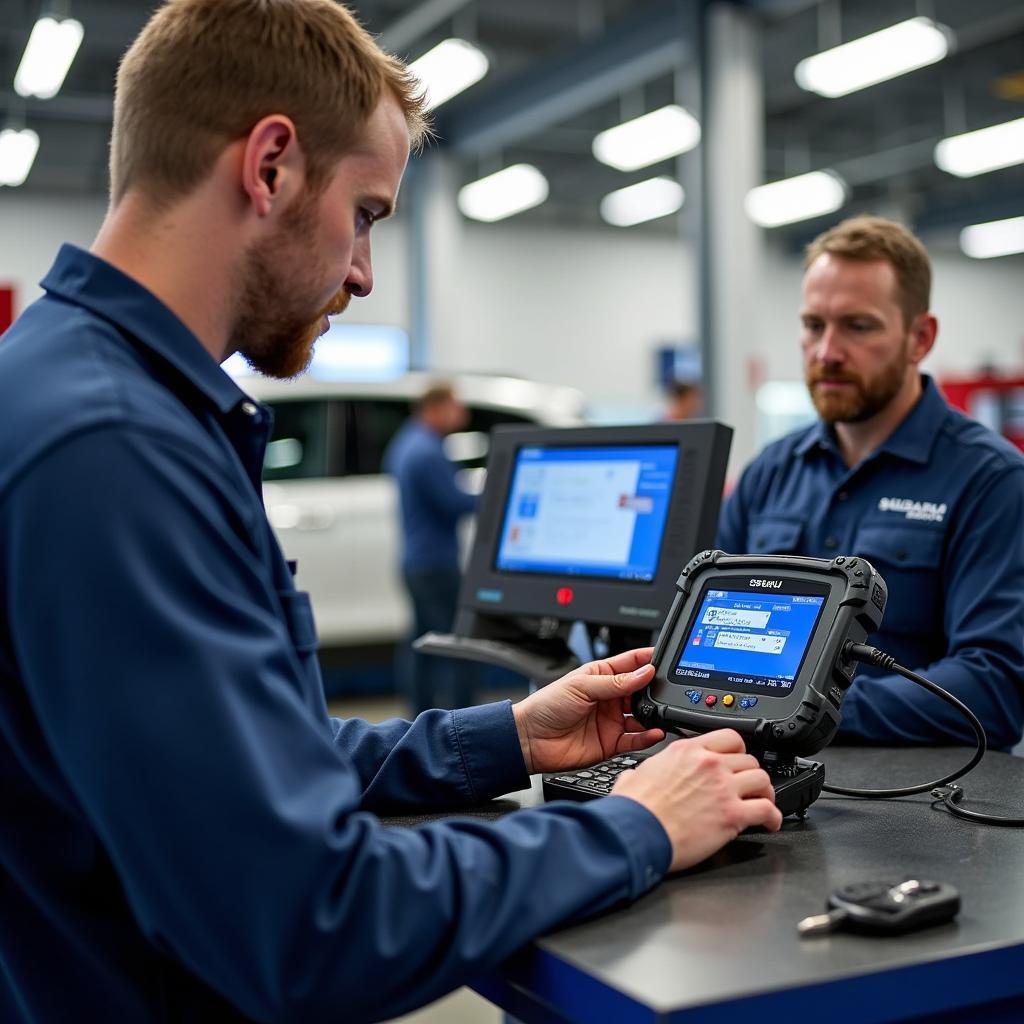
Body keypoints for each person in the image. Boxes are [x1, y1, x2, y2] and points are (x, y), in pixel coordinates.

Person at [0, 2, 781, 1021]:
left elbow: (247, 768)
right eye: (366, 213)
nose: (364, 271)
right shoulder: (114, 448)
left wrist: (506, 737)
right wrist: (634, 824)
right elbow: (310, 921)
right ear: (270, 164)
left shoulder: (73, 391)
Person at [718, 215, 1024, 751]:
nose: (827, 352)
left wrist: (807, 709)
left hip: (912, 809)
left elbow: (995, 688)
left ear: (919, 338)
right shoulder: (767, 475)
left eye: (858, 327)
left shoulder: (991, 482)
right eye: (814, 325)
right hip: (749, 778)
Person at [384, 382, 479, 713]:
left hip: (417, 561)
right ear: (436, 408)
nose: (462, 414)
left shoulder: (407, 443)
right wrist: (497, 495)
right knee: (458, 646)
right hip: (436, 564)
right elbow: (452, 502)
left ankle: (420, 716)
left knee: (422, 644)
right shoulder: (427, 451)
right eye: (456, 406)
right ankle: (462, 718)